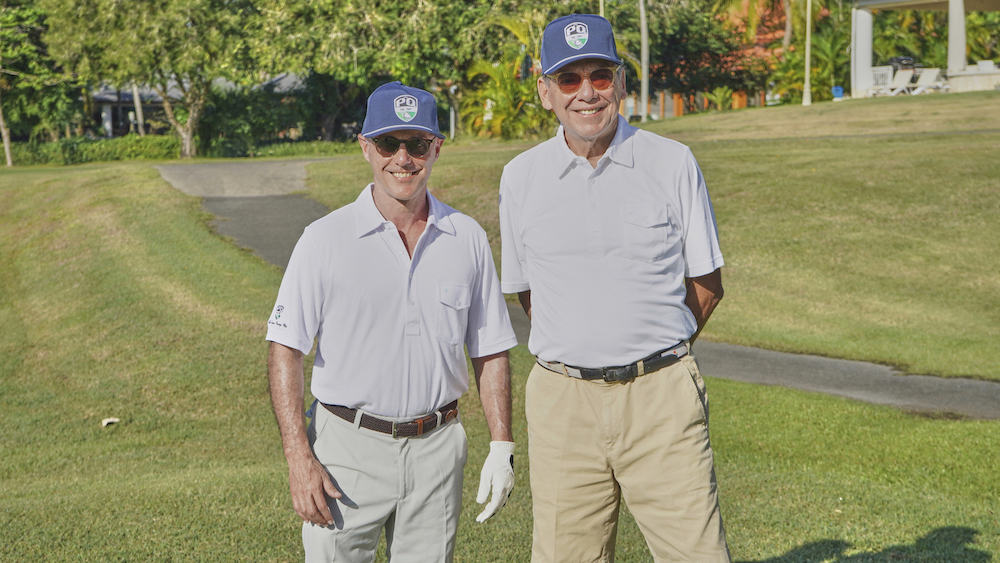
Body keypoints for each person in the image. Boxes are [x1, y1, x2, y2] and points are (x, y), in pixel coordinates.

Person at [498, 14, 731, 562]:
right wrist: (585, 344)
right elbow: (530, 295)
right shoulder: (520, 177)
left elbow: (707, 283)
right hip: (563, 405)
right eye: (569, 79)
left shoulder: (671, 162)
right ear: (545, 91)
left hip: (661, 399)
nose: (586, 93)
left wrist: (649, 348)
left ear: (621, 83)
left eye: (599, 76)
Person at [267, 81, 518, 562]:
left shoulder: (466, 237)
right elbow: (286, 350)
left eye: (417, 143)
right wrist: (299, 458)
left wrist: (501, 443)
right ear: (366, 147)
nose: (402, 158)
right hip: (345, 450)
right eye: (388, 143)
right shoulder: (324, 239)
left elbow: (490, 349)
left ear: (436, 147)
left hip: (437, 450)